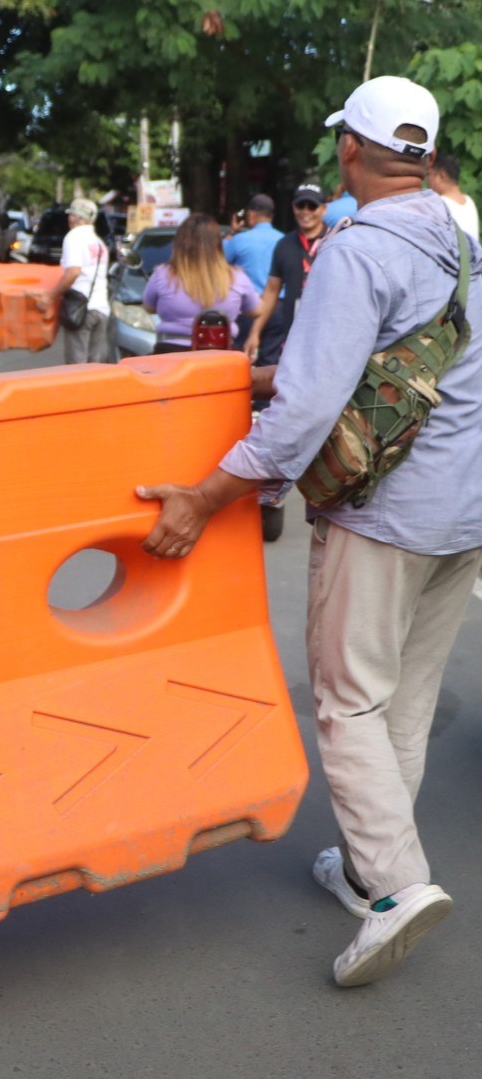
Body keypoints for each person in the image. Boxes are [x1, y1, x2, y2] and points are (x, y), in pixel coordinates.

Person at [137, 74, 482, 990]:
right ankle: (372, 871)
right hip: (465, 507)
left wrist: (205, 496)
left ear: (351, 152)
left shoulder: (356, 250)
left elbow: (302, 414)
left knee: (346, 699)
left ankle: (399, 886)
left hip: (385, 511)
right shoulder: (461, 238)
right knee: (403, 696)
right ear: (428, 155)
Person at [142, 213, 260, 354]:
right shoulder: (237, 277)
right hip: (221, 359)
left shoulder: (162, 274)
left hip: (170, 357)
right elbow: (257, 310)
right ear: (217, 244)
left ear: (179, 243)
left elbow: (149, 307)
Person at [243, 181, 328, 365]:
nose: (306, 211)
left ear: (323, 209)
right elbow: (272, 291)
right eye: (300, 205)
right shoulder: (284, 245)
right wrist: (255, 333)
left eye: (312, 206)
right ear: (293, 208)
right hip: (292, 336)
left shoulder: (335, 241)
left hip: (327, 334)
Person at [53, 198, 110, 363]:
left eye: (70, 215)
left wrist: (50, 296)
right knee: (95, 367)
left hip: (80, 310)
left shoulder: (74, 237)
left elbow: (73, 272)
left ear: (74, 217)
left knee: (76, 369)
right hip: (101, 309)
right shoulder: (99, 243)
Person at [223, 193, 282, 293]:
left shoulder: (239, 239)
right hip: (278, 303)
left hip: (248, 304)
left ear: (251, 214)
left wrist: (232, 233)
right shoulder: (284, 240)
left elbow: (219, 260)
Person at [426, 151, 480, 240]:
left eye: (429, 174)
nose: (427, 181)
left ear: (441, 176)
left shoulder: (439, 204)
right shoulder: (469, 201)